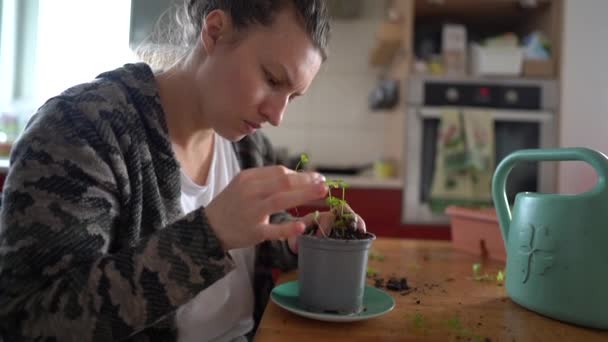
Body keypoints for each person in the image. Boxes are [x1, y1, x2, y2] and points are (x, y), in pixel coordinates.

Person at [0, 0, 366, 341]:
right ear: (216, 31)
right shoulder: (81, 129)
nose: (277, 115)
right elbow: (32, 318)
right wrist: (210, 234)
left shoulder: (247, 144)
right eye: (271, 79)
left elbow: (258, 240)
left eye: (292, 97)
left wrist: (300, 239)